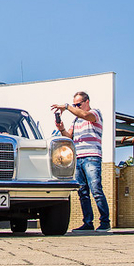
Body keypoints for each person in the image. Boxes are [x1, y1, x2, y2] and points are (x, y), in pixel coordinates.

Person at [52, 91, 110, 231]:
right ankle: (88, 223)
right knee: (83, 192)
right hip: (78, 158)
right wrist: (61, 129)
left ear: (87, 102)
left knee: (96, 190)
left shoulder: (95, 113)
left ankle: (105, 222)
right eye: (74, 105)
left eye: (78, 104)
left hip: (92, 156)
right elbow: (69, 137)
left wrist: (67, 107)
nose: (76, 107)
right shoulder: (76, 121)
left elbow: (85, 115)